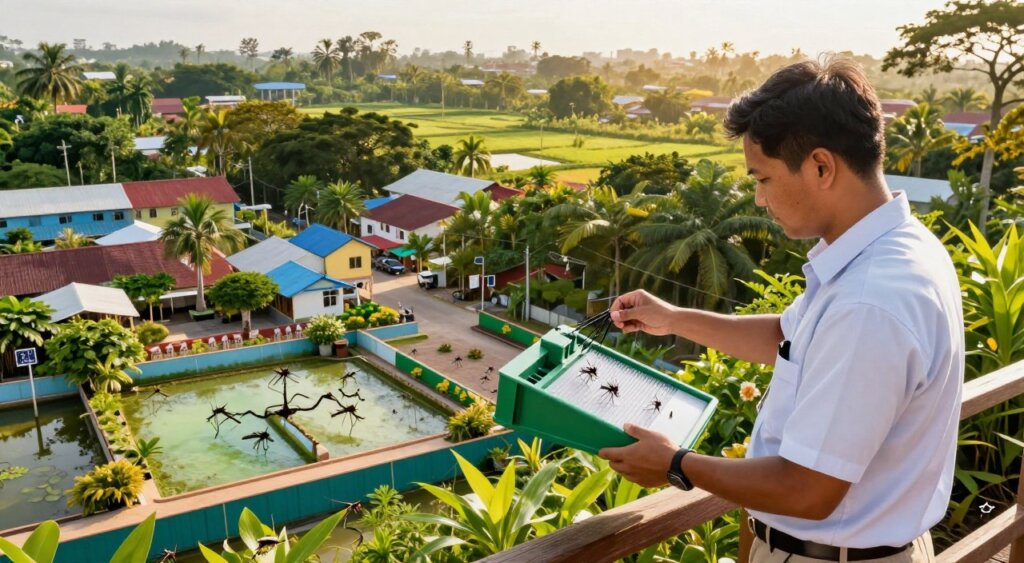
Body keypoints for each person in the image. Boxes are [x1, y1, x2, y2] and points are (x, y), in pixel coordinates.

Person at [598, 58, 963, 563]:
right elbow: (786, 338)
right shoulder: (895, 249)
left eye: (763, 178)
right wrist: (674, 318)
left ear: (821, 167)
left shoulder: (870, 300)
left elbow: (807, 490)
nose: (758, 198)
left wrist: (676, 464)